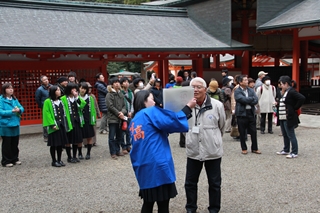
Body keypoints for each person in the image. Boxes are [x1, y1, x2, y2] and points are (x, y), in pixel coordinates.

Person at [130, 90, 196, 213]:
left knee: (148, 203)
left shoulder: (135, 118)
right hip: (157, 164)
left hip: (143, 164)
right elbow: (172, 122)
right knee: (163, 204)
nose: (154, 102)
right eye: (152, 99)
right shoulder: (150, 112)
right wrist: (188, 107)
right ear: (144, 100)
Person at [184, 77, 225, 213]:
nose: (195, 90)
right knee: (190, 183)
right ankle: (191, 208)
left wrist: (214, 139)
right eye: (193, 87)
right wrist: (189, 138)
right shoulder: (187, 105)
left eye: (198, 87)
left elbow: (222, 126)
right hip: (193, 149)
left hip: (212, 149)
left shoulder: (217, 105)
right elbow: (182, 125)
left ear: (205, 89)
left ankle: (214, 209)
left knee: (214, 183)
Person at [276, 76, 305, 159]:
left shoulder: (291, 91)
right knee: (285, 134)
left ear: (286, 84)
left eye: (281, 84)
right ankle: (286, 149)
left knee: (291, 134)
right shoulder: (283, 92)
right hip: (282, 115)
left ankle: (294, 152)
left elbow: (302, 98)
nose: (280, 86)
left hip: (288, 116)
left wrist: (295, 107)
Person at [42, 85, 69, 167]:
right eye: (57, 90)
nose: (59, 91)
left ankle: (59, 159)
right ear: (53, 92)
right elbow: (47, 113)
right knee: (54, 144)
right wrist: (52, 124)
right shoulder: (47, 101)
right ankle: (54, 161)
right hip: (54, 125)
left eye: (59, 90)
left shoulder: (61, 101)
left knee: (60, 144)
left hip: (61, 124)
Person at [234, 75, 261, 155]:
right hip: (241, 113)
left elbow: (256, 99)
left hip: (251, 113)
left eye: (247, 80)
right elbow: (241, 99)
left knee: (253, 131)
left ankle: (255, 148)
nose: (247, 81)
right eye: (245, 80)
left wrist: (248, 100)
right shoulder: (237, 91)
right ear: (240, 82)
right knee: (242, 132)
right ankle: (244, 148)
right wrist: (250, 99)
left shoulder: (251, 90)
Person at [61, 83, 86, 163]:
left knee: (76, 139)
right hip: (68, 120)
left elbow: (82, 105)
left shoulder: (76, 98)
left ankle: (75, 156)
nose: (74, 90)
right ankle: (69, 157)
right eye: (72, 89)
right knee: (68, 140)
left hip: (76, 120)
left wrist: (77, 97)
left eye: (75, 89)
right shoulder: (63, 98)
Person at [0, 83, 24, 167]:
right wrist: (11, 111)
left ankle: (15, 158)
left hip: (15, 123)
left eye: (11, 88)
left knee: (15, 142)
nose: (11, 90)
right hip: (6, 124)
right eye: (8, 88)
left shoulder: (14, 99)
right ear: (4, 90)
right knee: (7, 143)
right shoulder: (1, 100)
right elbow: (1, 111)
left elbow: (21, 107)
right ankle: (6, 160)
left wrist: (19, 109)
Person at [106, 77, 127, 159]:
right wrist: (119, 113)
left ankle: (118, 150)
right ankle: (113, 152)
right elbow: (110, 106)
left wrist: (123, 112)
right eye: (115, 82)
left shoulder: (121, 94)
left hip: (120, 118)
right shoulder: (109, 94)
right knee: (112, 136)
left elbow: (124, 105)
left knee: (119, 135)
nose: (117, 84)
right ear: (112, 84)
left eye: (118, 82)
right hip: (112, 118)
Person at [79, 82, 96, 160]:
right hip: (79, 120)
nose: (83, 90)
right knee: (79, 138)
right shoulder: (76, 98)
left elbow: (93, 109)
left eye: (85, 89)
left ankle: (88, 153)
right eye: (81, 88)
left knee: (89, 137)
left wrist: (93, 119)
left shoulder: (90, 98)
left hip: (88, 119)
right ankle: (79, 153)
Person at [35, 75, 52, 142]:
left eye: (47, 79)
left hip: (52, 105)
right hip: (45, 106)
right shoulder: (40, 89)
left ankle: (52, 134)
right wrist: (42, 105)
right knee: (46, 121)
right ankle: (46, 136)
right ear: (41, 82)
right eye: (44, 80)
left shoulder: (52, 86)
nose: (46, 80)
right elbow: (37, 99)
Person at [83, 82, 100, 146]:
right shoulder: (82, 96)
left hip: (92, 114)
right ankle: (85, 142)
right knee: (85, 128)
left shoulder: (92, 96)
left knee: (93, 128)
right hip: (85, 114)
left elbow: (96, 105)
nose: (90, 89)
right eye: (88, 88)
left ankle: (93, 141)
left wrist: (98, 113)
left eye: (90, 88)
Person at [120, 77, 134, 154]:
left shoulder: (130, 93)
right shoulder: (120, 93)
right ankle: (123, 146)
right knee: (122, 131)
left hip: (129, 114)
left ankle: (129, 145)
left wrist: (131, 112)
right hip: (122, 114)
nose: (127, 83)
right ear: (121, 84)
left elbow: (132, 103)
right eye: (125, 82)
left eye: (127, 82)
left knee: (129, 130)